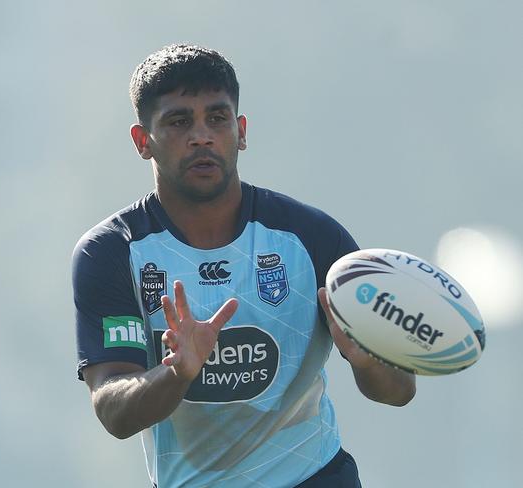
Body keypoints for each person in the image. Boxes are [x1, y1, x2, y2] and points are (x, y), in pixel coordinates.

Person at [72, 44, 416, 488]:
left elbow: (399, 390)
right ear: (143, 142)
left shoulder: (312, 239)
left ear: (242, 130)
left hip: (315, 477)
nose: (202, 136)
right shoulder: (113, 252)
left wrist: (368, 361)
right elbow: (113, 410)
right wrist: (176, 372)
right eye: (179, 122)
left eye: (217, 118)